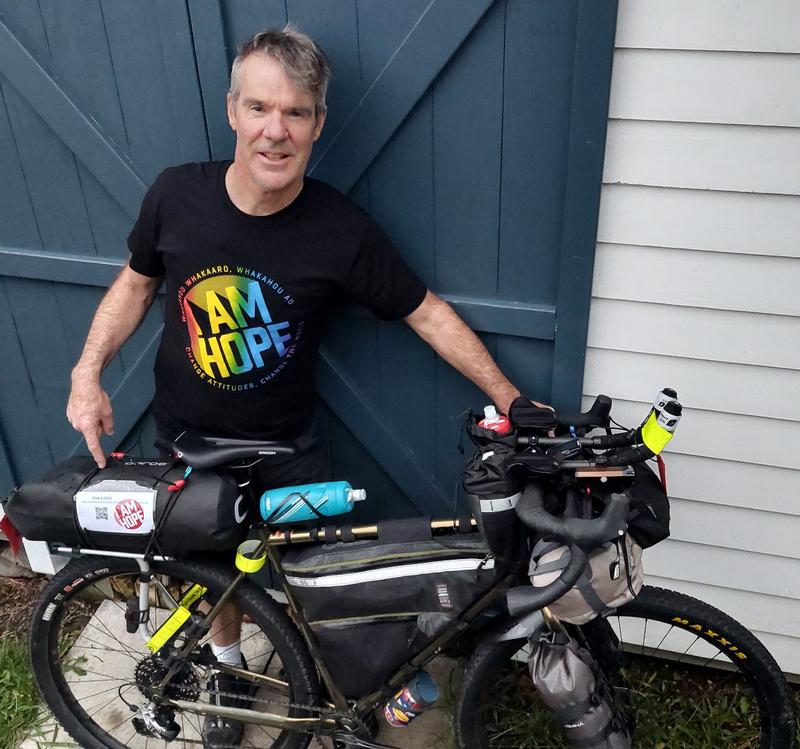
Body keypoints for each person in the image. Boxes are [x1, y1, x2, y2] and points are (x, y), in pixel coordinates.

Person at [67, 26, 544, 747]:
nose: (275, 130)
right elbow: (135, 284)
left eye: (295, 112)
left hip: (289, 450)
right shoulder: (176, 195)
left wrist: (509, 397)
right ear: (232, 110)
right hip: (189, 442)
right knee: (211, 574)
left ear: (318, 124)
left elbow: (425, 312)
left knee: (318, 583)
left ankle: (330, 687)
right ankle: (228, 671)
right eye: (260, 107)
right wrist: (88, 373)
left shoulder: (338, 229)